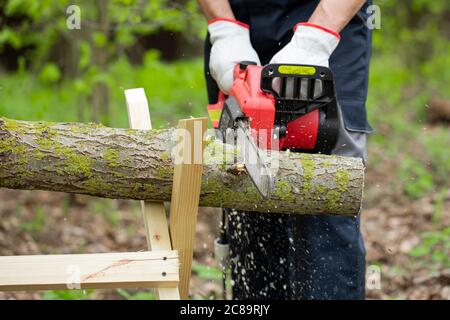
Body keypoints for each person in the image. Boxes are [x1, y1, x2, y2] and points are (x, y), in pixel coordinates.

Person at [198, 0, 373, 300]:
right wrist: (223, 26)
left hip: (331, 28)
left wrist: (317, 38)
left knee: (325, 203)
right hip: (239, 31)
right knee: (248, 208)